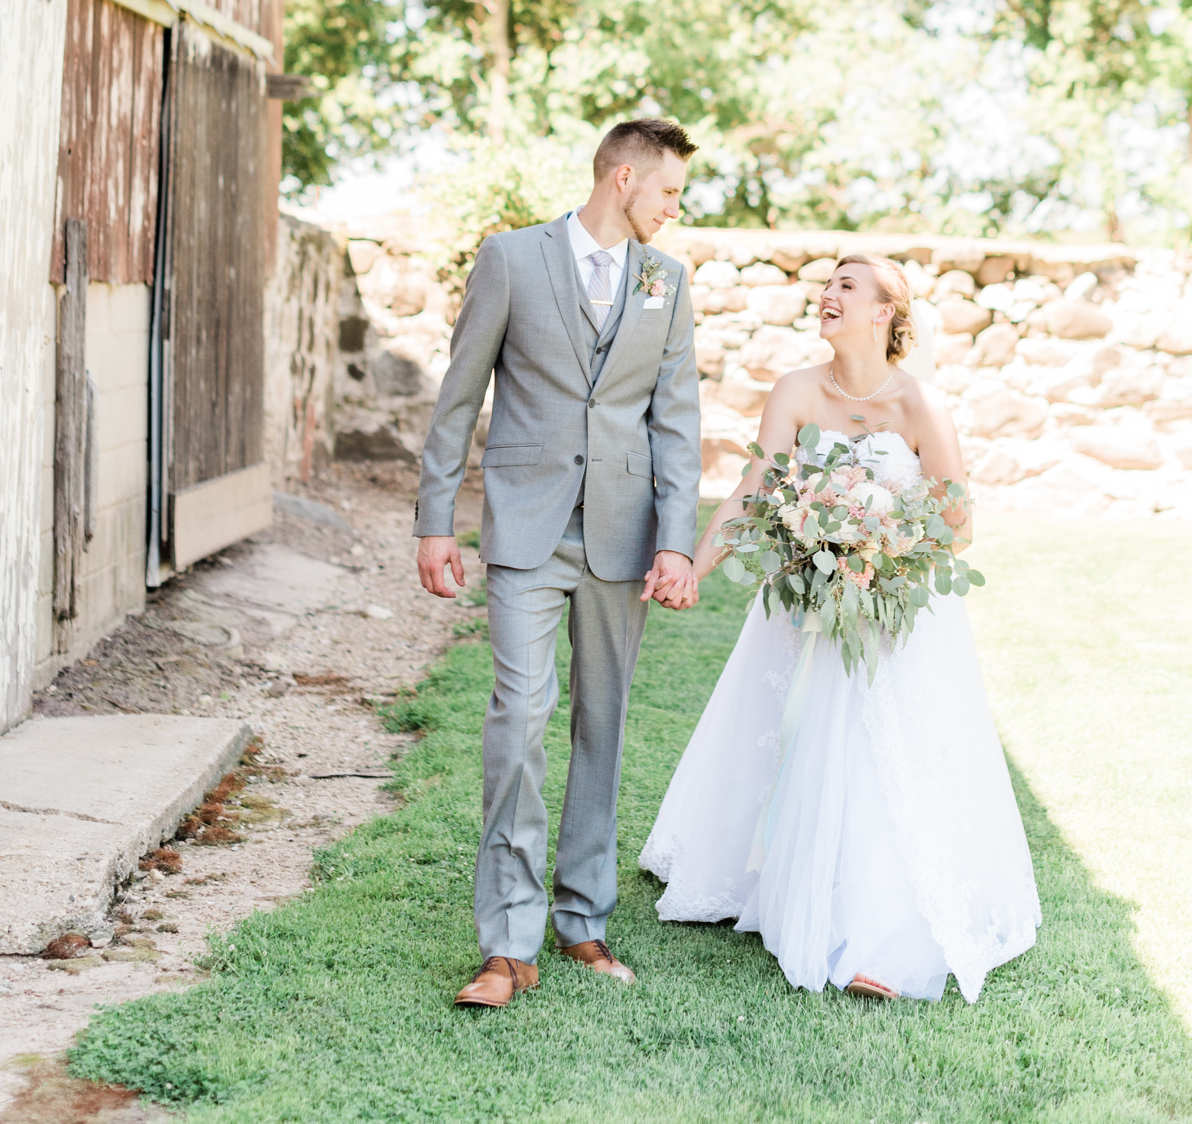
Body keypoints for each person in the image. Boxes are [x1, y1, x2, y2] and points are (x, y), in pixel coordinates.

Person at [641, 253, 1040, 1003]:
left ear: (886, 311)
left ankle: (881, 938)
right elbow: (755, 491)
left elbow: (958, 525)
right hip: (806, 607)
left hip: (893, 613)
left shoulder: (922, 407)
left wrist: (878, 552)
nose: (827, 295)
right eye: (826, 284)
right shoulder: (795, 390)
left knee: (879, 755)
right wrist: (694, 564)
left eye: (846, 287)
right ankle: (780, 873)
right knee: (803, 742)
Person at [415, 118, 703, 1009]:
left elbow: (676, 423)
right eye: (669, 192)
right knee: (519, 718)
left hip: (623, 536)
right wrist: (435, 523)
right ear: (624, 177)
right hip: (527, 530)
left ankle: (582, 922)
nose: (675, 208)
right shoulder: (510, 259)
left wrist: (675, 540)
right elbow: (458, 397)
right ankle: (506, 940)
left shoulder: (668, 281)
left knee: (602, 727)